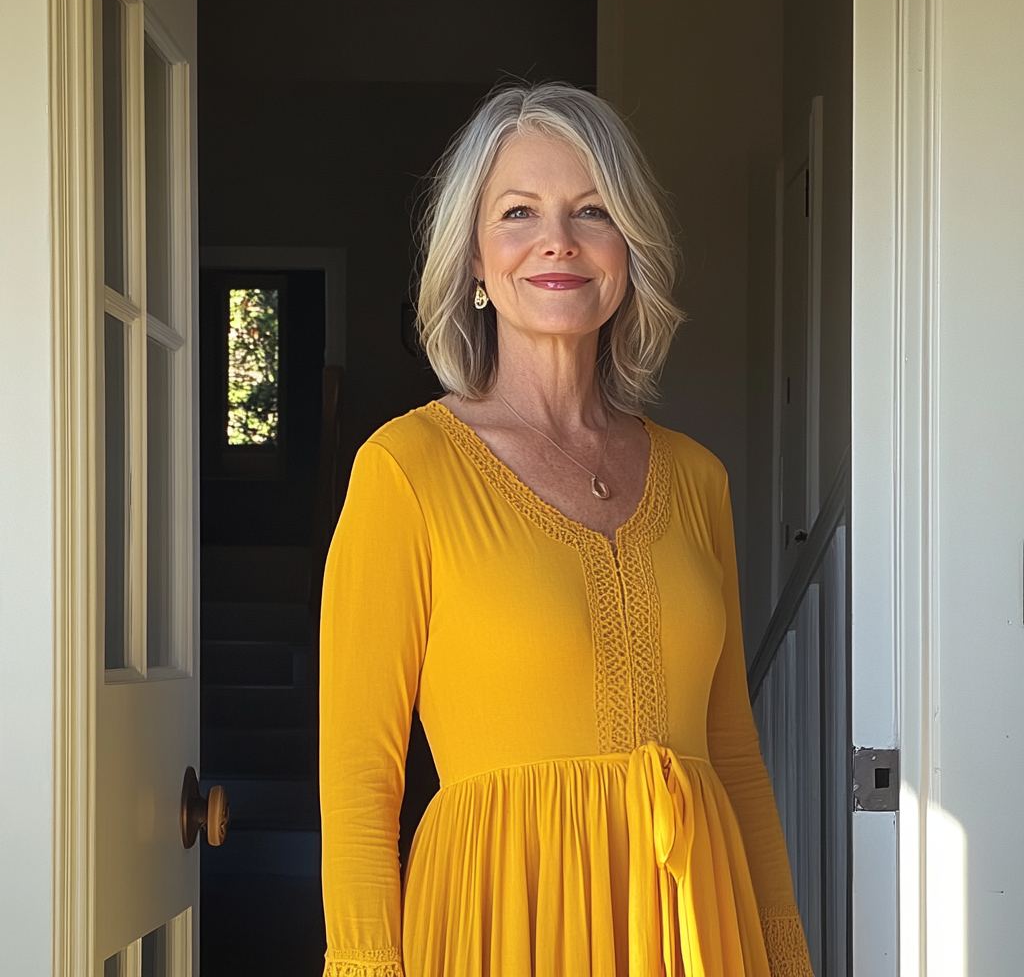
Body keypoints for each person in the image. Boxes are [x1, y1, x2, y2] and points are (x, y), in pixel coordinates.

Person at [319, 83, 814, 977]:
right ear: (473, 258)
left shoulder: (699, 479)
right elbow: (360, 782)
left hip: (695, 928)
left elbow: (736, 756)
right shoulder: (405, 471)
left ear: (628, 250)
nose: (559, 240)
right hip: (499, 926)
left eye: (593, 210)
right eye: (519, 212)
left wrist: (782, 952)